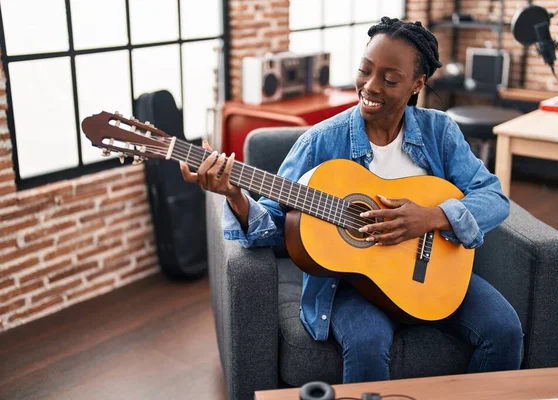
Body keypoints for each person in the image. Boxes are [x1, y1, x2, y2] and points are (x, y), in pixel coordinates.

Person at [180, 17, 523, 384]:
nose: (371, 87)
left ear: (416, 84)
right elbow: (276, 222)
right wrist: (234, 192)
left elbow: (493, 196)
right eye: (364, 71)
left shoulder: (440, 132)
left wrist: (433, 217)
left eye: (390, 79)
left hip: (432, 271)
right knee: (366, 341)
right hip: (347, 284)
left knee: (505, 331)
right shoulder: (322, 141)